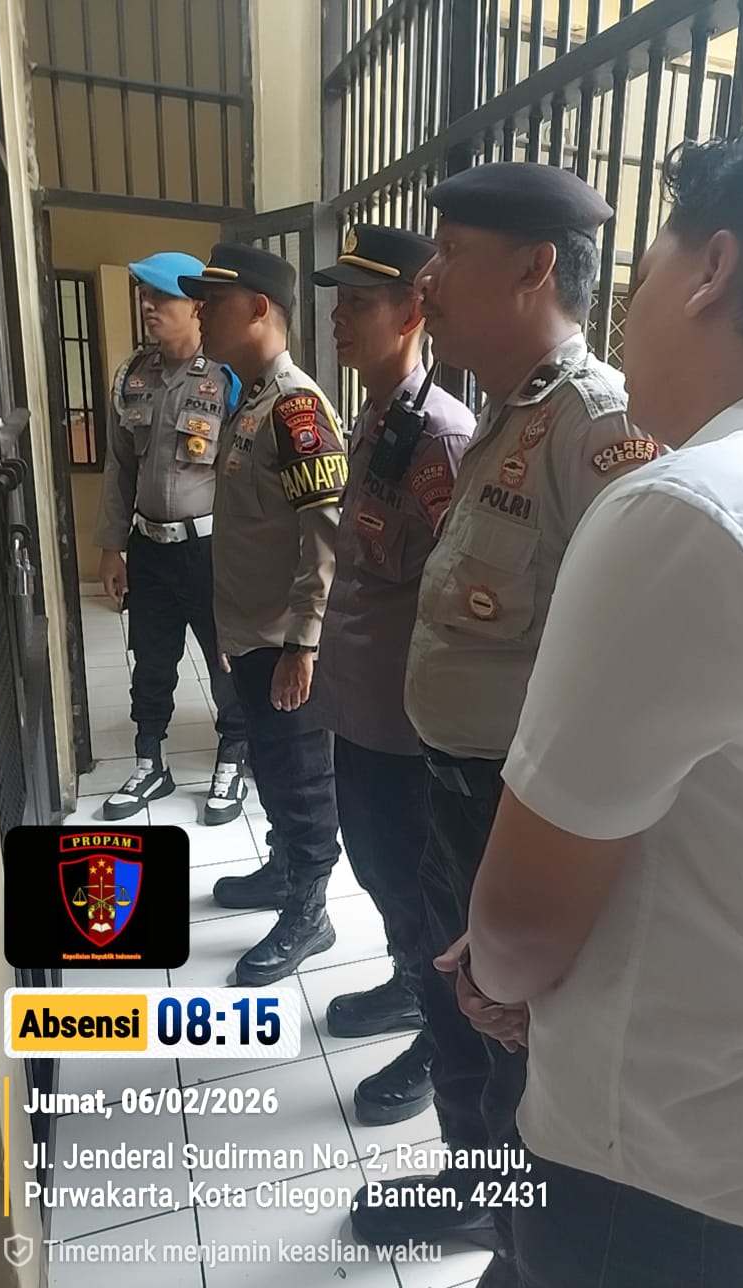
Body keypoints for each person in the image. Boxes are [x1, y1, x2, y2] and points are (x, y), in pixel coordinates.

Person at [466, 113, 743, 1288]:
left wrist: (488, 976)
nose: (628, 304)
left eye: (648, 265)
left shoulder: (691, 510)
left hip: (656, 1176)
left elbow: (522, 922)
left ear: (712, 268)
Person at [349, 164, 660, 1283]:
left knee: (519, 1046)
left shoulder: (596, 426)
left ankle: (524, 1242)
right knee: (455, 1016)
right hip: (453, 790)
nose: (429, 276)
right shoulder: (505, 413)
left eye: (452, 253)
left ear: (534, 268)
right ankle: (477, 1188)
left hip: (515, 807)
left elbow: (627, 668)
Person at [306, 224, 474, 1125]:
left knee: (416, 887)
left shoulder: (442, 436)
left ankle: (438, 1031)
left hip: (407, 729)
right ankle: (410, 985)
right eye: (339, 303)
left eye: (359, 304)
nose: (339, 320)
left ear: (413, 312)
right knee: (375, 869)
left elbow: (454, 594)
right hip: (363, 708)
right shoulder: (378, 417)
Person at [178, 244, 346, 987]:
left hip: (283, 642)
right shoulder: (250, 398)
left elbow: (324, 535)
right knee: (274, 770)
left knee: (302, 778)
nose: (200, 313)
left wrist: (303, 645)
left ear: (256, 309)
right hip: (251, 636)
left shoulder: (296, 407)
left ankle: (311, 910)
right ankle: (284, 869)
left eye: (213, 302)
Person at [95, 252, 248, 825]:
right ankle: (149, 761)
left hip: (211, 550)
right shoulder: (133, 376)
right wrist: (111, 547)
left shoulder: (228, 377)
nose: (148, 305)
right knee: (151, 658)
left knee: (224, 658)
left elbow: (248, 474)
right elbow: (119, 468)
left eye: (161, 296)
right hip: (148, 548)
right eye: (144, 294)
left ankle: (232, 756)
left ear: (197, 306)